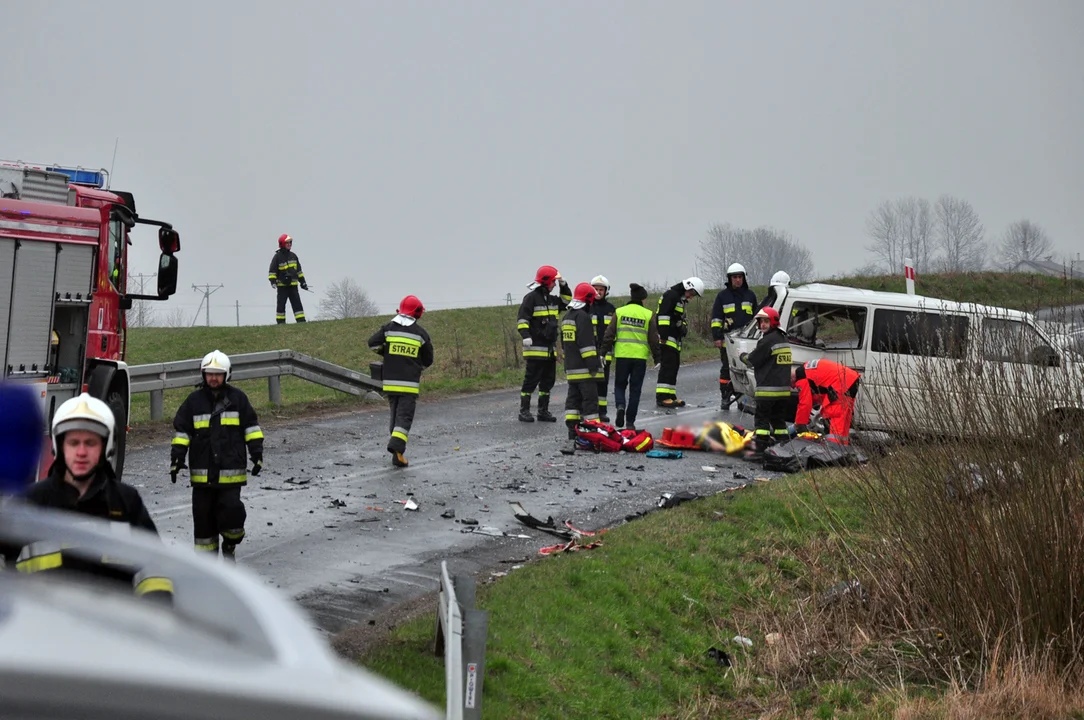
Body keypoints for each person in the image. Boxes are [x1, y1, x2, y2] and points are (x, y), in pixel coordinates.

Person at [170, 350, 263, 560]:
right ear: (203, 374)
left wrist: (257, 454)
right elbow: (182, 432)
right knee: (203, 526)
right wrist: (177, 459)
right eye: (209, 373)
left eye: (218, 374)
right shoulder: (193, 401)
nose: (213, 378)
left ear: (227, 374)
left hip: (231, 474)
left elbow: (251, 428)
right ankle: (208, 567)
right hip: (202, 478)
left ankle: (231, 543)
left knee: (232, 514)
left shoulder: (238, 399)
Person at [22, 393, 157, 534]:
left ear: (106, 446)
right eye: (73, 443)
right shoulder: (30, 504)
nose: (81, 452)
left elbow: (154, 554)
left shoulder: (127, 502)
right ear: (59, 447)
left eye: (90, 443)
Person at [367, 295, 435, 467]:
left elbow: (373, 343)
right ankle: (396, 446)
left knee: (395, 416)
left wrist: (389, 354)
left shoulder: (389, 328)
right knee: (404, 418)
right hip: (409, 385)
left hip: (390, 382)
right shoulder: (421, 334)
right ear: (417, 313)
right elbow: (428, 360)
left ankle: (397, 455)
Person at [516, 265, 572, 423]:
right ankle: (524, 411)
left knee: (548, 381)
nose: (555, 284)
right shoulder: (531, 298)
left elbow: (566, 302)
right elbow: (522, 319)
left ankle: (543, 411)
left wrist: (564, 285)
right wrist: (525, 336)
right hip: (535, 350)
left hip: (549, 351)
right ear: (546, 281)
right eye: (554, 281)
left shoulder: (552, 300)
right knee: (530, 381)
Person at [601, 283, 660, 431]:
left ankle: (620, 406)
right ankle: (630, 422)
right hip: (640, 358)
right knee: (635, 390)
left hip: (622, 355)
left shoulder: (619, 312)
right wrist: (657, 357)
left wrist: (602, 352)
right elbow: (653, 339)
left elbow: (609, 334)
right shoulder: (648, 314)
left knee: (620, 386)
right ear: (643, 300)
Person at [739, 307, 792, 460]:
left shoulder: (767, 340)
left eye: (766, 321)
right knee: (778, 422)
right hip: (783, 391)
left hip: (768, 390)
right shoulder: (783, 338)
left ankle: (760, 451)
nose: (762, 324)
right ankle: (784, 450)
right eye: (761, 321)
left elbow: (751, 361)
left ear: (773, 321)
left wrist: (741, 354)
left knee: (761, 421)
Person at [710, 263, 758, 410]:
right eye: (734, 277)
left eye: (740, 277)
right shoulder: (722, 296)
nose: (737, 280)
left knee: (745, 369)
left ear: (744, 278)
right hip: (728, 341)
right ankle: (725, 397)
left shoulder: (750, 295)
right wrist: (717, 337)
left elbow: (756, 317)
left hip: (747, 340)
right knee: (727, 369)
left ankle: (742, 399)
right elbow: (716, 318)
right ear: (730, 279)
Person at [654, 277, 705, 408]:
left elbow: (676, 317)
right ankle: (662, 397)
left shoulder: (679, 299)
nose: (691, 297)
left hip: (674, 339)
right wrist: (664, 337)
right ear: (688, 287)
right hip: (667, 338)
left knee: (673, 366)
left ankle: (670, 395)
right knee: (668, 366)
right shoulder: (671, 295)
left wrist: (682, 326)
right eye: (692, 294)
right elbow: (663, 316)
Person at [561, 283, 602, 441]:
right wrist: (594, 366)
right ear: (589, 299)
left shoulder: (567, 317)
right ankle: (592, 433)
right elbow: (587, 346)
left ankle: (573, 431)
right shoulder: (583, 317)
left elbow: (565, 345)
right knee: (590, 402)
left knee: (573, 401)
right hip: (584, 370)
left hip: (571, 369)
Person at [792, 359, 862, 444]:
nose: (793, 388)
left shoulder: (801, 377)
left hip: (841, 382)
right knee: (843, 421)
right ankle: (843, 449)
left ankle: (834, 450)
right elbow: (820, 390)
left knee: (834, 418)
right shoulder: (807, 369)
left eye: (792, 385)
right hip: (851, 379)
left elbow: (805, 403)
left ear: (792, 379)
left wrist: (799, 424)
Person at [589, 275, 616, 422]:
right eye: (595, 289)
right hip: (590, 352)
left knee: (603, 382)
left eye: (601, 290)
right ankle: (590, 410)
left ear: (606, 291)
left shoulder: (611, 309)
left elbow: (614, 332)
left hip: (606, 354)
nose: (598, 292)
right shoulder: (587, 307)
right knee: (589, 383)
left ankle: (602, 411)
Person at [268, 233, 308, 324]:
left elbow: (299, 271)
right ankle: (281, 323)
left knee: (297, 304)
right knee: (281, 305)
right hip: (282, 286)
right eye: (287, 243)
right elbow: (272, 271)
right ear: (282, 244)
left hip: (293, 286)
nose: (289, 244)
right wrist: (273, 282)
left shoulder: (293, 256)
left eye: (290, 242)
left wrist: (303, 282)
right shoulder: (277, 257)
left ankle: (301, 321)